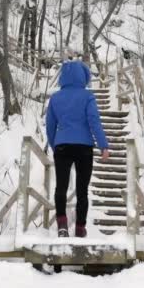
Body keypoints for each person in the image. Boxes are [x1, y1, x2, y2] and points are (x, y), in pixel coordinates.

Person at [46, 60, 109, 238]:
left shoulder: (55, 98)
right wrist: (103, 145)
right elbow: (94, 122)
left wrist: (55, 145)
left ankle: (62, 225)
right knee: (82, 190)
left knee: (61, 187)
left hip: (62, 146)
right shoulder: (87, 96)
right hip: (84, 148)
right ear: (84, 76)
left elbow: (50, 126)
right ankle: (80, 229)